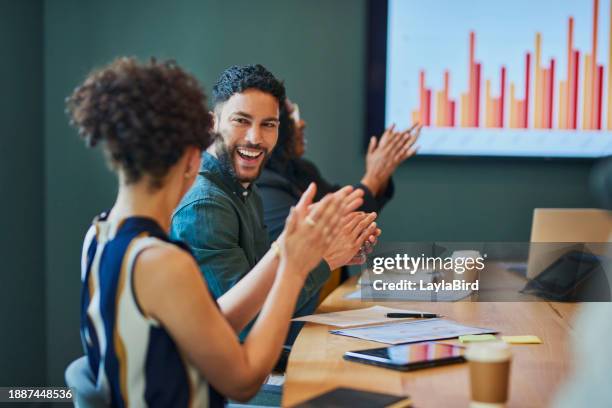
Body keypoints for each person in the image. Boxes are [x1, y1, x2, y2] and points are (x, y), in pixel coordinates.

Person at [65, 57, 350, 406]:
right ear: (190, 155)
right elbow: (244, 381)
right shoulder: (163, 262)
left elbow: (209, 325)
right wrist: (291, 267)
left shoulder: (97, 236)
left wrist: (286, 252)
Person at [170, 65, 378, 342]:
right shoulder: (205, 206)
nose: (255, 138)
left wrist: (322, 250)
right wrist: (325, 259)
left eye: (268, 124)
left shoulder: (246, 190)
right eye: (241, 121)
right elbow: (247, 326)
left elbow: (272, 304)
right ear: (212, 124)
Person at [257, 99, 420, 257]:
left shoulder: (302, 168)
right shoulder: (265, 186)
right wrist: (373, 177)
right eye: (292, 118)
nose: (302, 123)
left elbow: (344, 208)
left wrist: (381, 170)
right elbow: (317, 239)